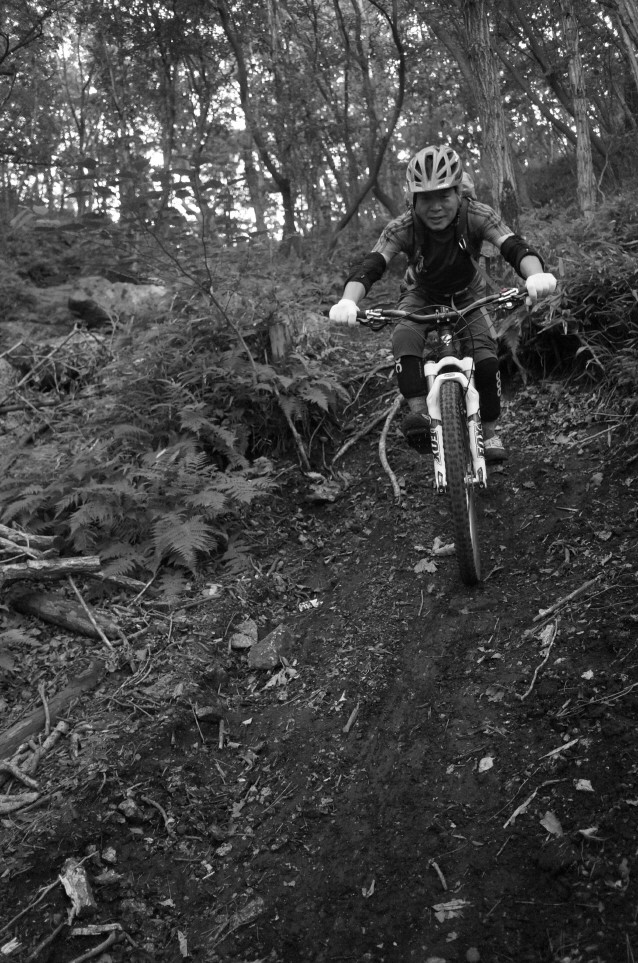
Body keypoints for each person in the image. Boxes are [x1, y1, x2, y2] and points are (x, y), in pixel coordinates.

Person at [329, 144, 557, 461]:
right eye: (426, 198)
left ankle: (489, 430)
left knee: (487, 360)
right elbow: (372, 264)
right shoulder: (403, 226)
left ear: (458, 193)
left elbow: (513, 246)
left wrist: (535, 275)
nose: (435, 207)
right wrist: (348, 301)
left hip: (468, 293)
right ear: (413, 200)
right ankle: (420, 414)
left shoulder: (477, 214)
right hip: (420, 293)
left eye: (444, 195)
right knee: (404, 335)